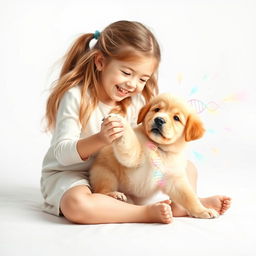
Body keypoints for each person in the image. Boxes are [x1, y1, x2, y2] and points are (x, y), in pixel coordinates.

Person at [41, 20, 231, 224]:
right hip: (73, 174)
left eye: (143, 79)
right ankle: (145, 213)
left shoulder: (136, 100)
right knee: (77, 205)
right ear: (100, 62)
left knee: (186, 167)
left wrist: (166, 152)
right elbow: (61, 154)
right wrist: (101, 138)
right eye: (127, 73)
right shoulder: (76, 96)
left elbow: (138, 149)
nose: (132, 84)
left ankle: (189, 205)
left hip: (120, 173)